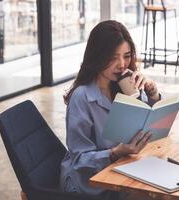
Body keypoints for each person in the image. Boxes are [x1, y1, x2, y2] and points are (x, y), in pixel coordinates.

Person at [60, 20, 161, 199]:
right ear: (97, 56)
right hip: (88, 185)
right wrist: (115, 153)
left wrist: (151, 93)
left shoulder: (123, 84)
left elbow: (147, 120)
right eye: (113, 57)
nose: (122, 64)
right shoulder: (82, 97)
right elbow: (79, 160)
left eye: (126, 56)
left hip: (121, 170)